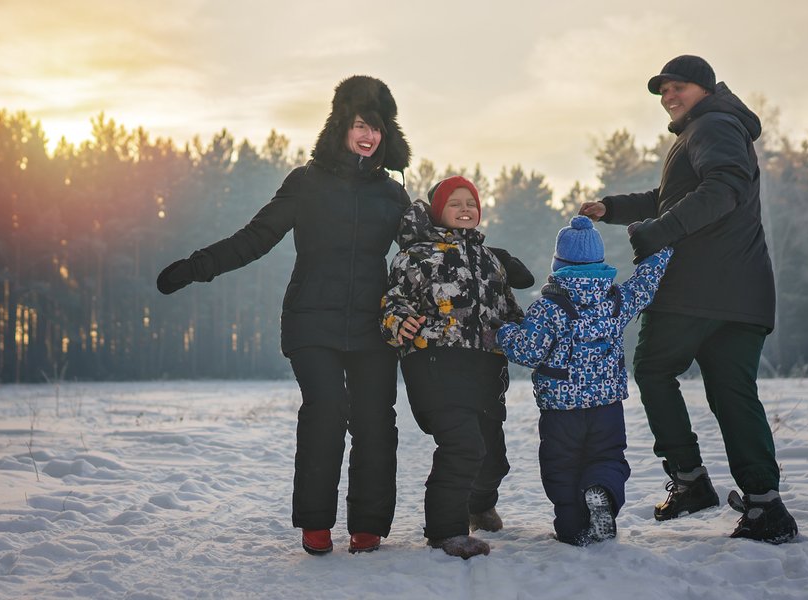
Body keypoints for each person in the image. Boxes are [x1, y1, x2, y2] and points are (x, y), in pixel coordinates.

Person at [156, 75, 411, 555]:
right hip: (311, 321)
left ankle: (368, 525)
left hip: (373, 327)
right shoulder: (306, 182)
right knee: (328, 409)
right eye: (360, 124)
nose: (368, 135)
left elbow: (429, 255)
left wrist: (489, 263)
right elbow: (255, 237)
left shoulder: (392, 196)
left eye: (376, 128)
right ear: (340, 126)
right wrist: (197, 267)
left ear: (386, 136)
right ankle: (316, 524)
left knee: (377, 420)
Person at [579, 55, 798, 544]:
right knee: (732, 392)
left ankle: (690, 480)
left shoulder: (713, 125)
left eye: (678, 87)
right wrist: (613, 208)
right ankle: (766, 505)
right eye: (663, 90)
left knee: (654, 370)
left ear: (704, 87)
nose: (669, 96)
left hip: (695, 289)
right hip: (743, 294)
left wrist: (659, 233)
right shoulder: (714, 127)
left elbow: (724, 188)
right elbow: (673, 196)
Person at [380, 175, 530, 559]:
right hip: (436, 364)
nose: (465, 209)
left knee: (492, 454)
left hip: (485, 367)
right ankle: (446, 530)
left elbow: (507, 310)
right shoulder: (415, 256)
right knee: (463, 445)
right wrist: (400, 322)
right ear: (436, 210)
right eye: (455, 203)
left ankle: (478, 504)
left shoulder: (491, 259)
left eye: (471, 203)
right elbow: (393, 302)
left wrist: (531, 333)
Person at [496, 216, 671, 546]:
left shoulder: (548, 308)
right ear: (600, 262)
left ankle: (572, 527)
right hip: (607, 408)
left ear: (558, 264)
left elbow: (529, 351)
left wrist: (504, 332)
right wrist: (661, 251)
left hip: (561, 411)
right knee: (607, 459)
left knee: (561, 467)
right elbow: (644, 284)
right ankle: (601, 490)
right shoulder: (616, 301)